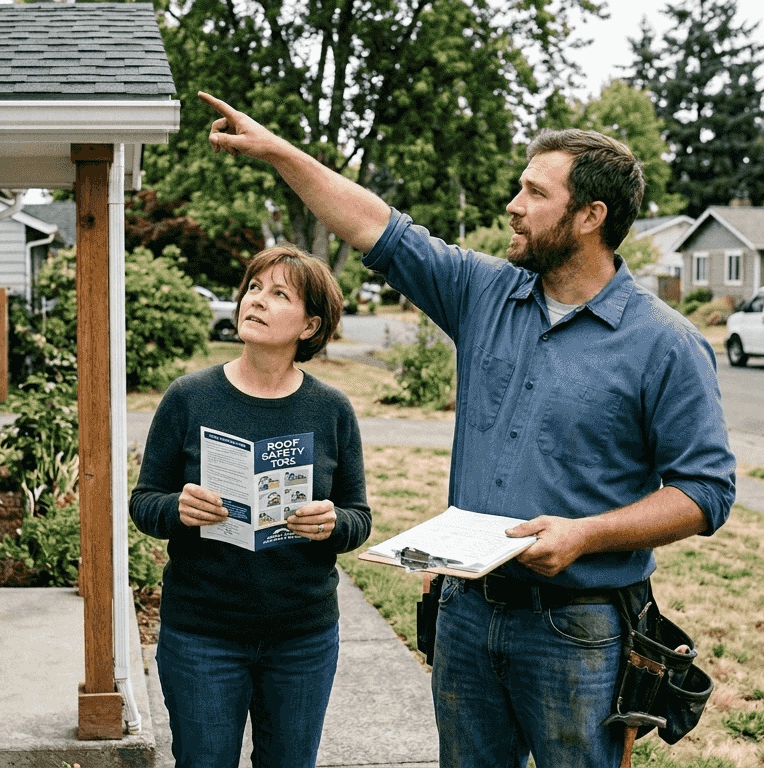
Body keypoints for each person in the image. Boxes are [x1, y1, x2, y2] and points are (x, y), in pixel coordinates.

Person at [196, 91, 735, 768]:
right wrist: (277, 150)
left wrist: (583, 534)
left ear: (590, 216)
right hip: (466, 612)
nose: (513, 204)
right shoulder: (484, 293)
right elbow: (374, 226)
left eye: (535, 192)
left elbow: (706, 492)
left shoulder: (666, 344)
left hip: (580, 629)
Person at [129, 245, 372, 768]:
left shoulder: (331, 409)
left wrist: (332, 522)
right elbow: (144, 503)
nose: (255, 301)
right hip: (201, 635)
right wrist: (178, 509)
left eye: (278, 294)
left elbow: (359, 518)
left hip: (302, 638)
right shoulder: (189, 396)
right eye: (254, 288)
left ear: (309, 326)